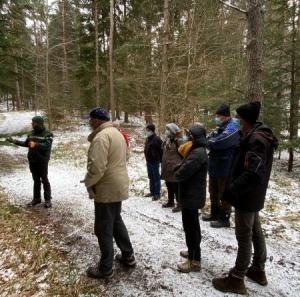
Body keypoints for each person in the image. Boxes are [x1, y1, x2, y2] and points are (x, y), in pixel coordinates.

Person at [212, 101, 278, 294]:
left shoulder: (256, 140)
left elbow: (254, 172)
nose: (239, 123)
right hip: (253, 195)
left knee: (244, 236)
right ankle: (258, 269)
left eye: (240, 120)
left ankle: (237, 277)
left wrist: (234, 187)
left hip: (246, 196)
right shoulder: (256, 135)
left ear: (246, 120)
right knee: (255, 230)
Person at [84, 107, 135, 279]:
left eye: (90, 119)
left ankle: (105, 268)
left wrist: (88, 183)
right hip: (118, 184)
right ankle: (128, 256)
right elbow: (127, 155)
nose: (89, 122)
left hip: (106, 187)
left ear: (97, 120)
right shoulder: (117, 133)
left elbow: (96, 167)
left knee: (103, 228)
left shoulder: (101, 137)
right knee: (116, 221)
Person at [174, 124, 208, 273]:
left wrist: (177, 171)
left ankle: (194, 261)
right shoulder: (196, 150)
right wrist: (179, 167)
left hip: (191, 195)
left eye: (189, 134)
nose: (186, 136)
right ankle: (192, 251)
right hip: (190, 194)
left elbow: (183, 172)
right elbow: (184, 166)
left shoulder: (198, 153)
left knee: (191, 228)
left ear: (195, 137)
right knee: (191, 226)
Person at [202, 104, 239, 228]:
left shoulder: (232, 128)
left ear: (225, 117)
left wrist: (211, 143)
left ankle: (224, 218)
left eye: (218, 116)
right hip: (214, 164)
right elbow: (207, 140)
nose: (216, 118)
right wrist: (210, 142)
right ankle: (214, 213)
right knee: (213, 190)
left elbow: (220, 142)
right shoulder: (219, 127)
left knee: (224, 193)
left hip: (225, 166)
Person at [6, 115, 53, 208]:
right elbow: (26, 143)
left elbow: (47, 146)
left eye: (33, 122)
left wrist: (35, 144)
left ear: (39, 123)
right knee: (36, 180)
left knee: (44, 179)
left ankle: (48, 200)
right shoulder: (31, 133)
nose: (32, 123)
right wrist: (14, 141)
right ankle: (36, 199)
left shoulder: (48, 134)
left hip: (42, 160)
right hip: (32, 160)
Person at [160, 123, 183, 212]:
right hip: (167, 167)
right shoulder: (168, 140)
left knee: (176, 186)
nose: (166, 131)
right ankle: (170, 201)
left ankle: (179, 204)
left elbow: (183, 153)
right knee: (169, 185)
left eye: (168, 130)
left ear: (173, 131)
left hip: (175, 167)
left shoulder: (179, 141)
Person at [144, 123, 163, 201]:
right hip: (148, 160)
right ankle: (152, 191)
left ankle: (157, 193)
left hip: (155, 161)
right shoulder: (148, 139)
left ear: (152, 130)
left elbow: (161, 150)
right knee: (150, 176)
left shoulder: (157, 139)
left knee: (156, 177)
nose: (147, 132)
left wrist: (160, 160)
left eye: (148, 130)